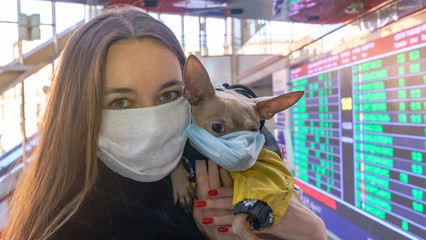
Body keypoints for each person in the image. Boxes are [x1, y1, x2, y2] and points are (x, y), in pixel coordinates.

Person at [3, 6, 326, 240]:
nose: (152, 122)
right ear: (78, 111)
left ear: (191, 89)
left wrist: (309, 232)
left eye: (169, 94)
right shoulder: (69, 226)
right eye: (119, 102)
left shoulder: (219, 135)